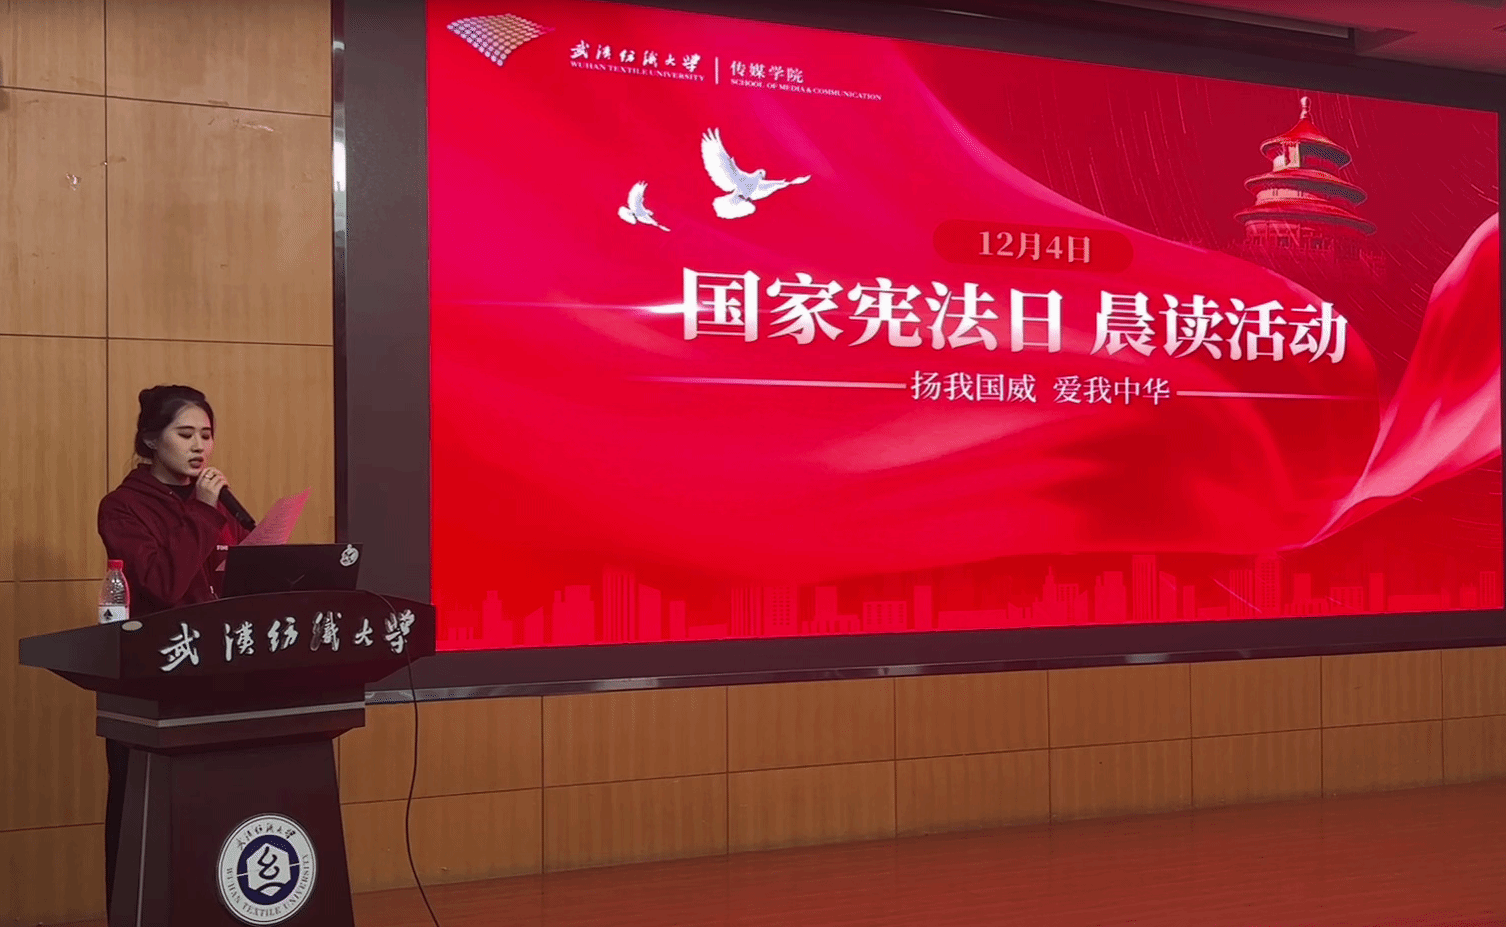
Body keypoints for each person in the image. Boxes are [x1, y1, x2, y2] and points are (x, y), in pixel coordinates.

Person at [95, 385, 250, 910]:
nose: (199, 446)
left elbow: (233, 584)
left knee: (217, 811)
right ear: (150, 440)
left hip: (220, 673)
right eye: (185, 434)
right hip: (153, 678)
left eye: (206, 434)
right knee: (147, 811)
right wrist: (204, 514)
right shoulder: (123, 508)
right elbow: (163, 584)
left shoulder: (217, 505)